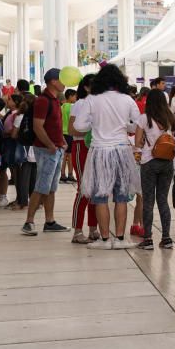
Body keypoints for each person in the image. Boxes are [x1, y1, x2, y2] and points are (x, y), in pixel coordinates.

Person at [75, 65, 140, 249]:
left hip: (99, 151)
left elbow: (79, 126)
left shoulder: (92, 100)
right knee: (121, 197)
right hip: (121, 150)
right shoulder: (127, 99)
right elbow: (137, 125)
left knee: (100, 197)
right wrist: (124, 126)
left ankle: (104, 239)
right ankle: (120, 239)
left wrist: (94, 124)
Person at [20, 69, 69, 237]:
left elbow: (54, 125)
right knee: (41, 186)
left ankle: (50, 221)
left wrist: (61, 141)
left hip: (55, 148)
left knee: (50, 188)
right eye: (62, 79)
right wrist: (50, 145)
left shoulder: (55, 100)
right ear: (54, 81)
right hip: (46, 149)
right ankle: (29, 222)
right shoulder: (43, 100)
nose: (65, 82)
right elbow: (37, 126)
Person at [134, 89, 175, 250]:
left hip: (149, 162)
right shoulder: (170, 117)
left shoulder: (144, 118)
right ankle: (166, 238)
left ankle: (148, 239)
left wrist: (144, 142)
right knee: (163, 201)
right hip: (167, 162)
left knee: (148, 201)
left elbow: (138, 142)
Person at [68, 75, 99, 243]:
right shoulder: (80, 104)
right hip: (81, 147)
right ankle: (77, 231)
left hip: (95, 147)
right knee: (84, 189)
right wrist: (91, 130)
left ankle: (93, 228)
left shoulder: (99, 103)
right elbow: (72, 129)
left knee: (95, 190)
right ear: (86, 87)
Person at [60, 89, 77, 183]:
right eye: (75, 96)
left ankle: (62, 174)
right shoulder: (72, 107)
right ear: (70, 96)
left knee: (64, 155)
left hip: (62, 133)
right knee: (70, 155)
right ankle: (70, 174)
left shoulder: (61, 107)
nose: (76, 98)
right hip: (70, 133)